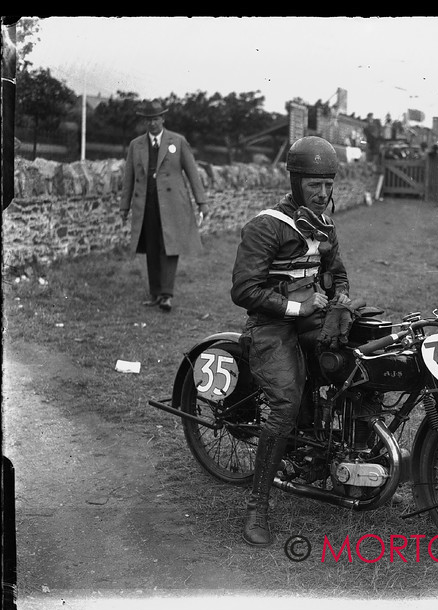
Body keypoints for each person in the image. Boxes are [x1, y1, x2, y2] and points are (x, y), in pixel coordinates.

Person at [230, 136, 351, 546]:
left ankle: (342, 456)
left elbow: (337, 272)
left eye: (329, 184)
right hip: (270, 326)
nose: (323, 193)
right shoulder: (266, 226)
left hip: (312, 318)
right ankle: (257, 506)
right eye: (314, 185)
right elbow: (245, 290)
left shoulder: (325, 224)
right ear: (296, 182)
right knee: (285, 402)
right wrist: (297, 308)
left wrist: (341, 298)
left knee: (356, 365)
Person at [120, 100, 209, 312]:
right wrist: (124, 206)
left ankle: (166, 295)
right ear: (145, 122)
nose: (152, 124)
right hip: (147, 205)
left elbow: (192, 173)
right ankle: (155, 293)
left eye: (156, 119)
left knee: (169, 247)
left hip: (173, 205)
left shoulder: (177, 141)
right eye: (148, 120)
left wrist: (202, 202)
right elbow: (128, 178)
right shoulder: (136, 145)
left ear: (163, 119)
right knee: (151, 248)